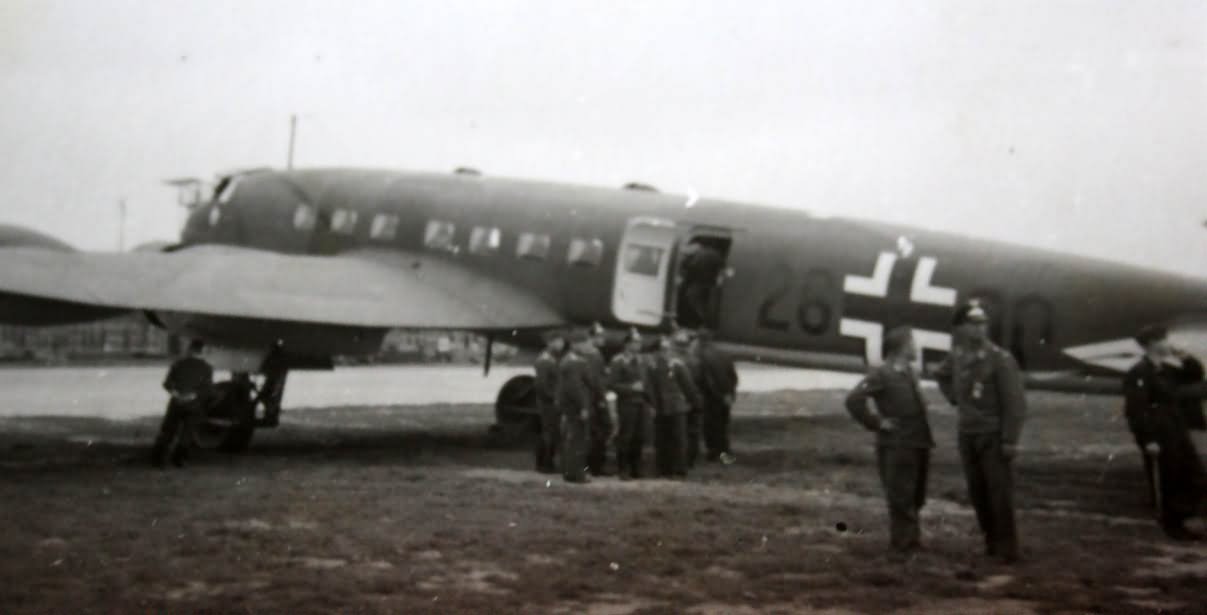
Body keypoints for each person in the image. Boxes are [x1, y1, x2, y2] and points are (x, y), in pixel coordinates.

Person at [933, 301, 1027, 563]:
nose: (980, 328)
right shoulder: (958, 356)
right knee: (978, 492)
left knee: (999, 492)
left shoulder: (1000, 359)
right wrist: (955, 398)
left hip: (992, 435)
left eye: (983, 323)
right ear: (961, 329)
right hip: (968, 433)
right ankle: (990, 543)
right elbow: (940, 375)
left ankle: (1007, 549)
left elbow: (1015, 404)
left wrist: (1010, 439)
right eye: (973, 324)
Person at [846, 327, 934, 557]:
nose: (915, 348)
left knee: (916, 496)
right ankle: (902, 547)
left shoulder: (909, 373)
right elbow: (854, 399)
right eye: (912, 343)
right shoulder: (882, 374)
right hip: (897, 444)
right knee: (901, 496)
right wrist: (877, 422)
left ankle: (912, 541)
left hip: (918, 442)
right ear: (901, 347)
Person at [1122, 325, 1207, 541]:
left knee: (1193, 473)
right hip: (1158, 431)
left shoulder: (1168, 371)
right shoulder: (1139, 373)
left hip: (1176, 427)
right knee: (1170, 478)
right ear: (1151, 344)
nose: (1168, 344)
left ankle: (1188, 517)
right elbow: (1135, 410)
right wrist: (1148, 439)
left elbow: (1195, 374)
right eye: (1163, 340)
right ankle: (1174, 526)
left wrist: (1185, 356)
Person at [649, 331, 704, 478]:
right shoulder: (652, 367)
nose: (664, 353)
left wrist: (696, 404)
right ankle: (663, 469)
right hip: (661, 407)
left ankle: (679, 470)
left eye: (666, 349)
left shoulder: (676, 365)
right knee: (662, 439)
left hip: (677, 407)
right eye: (662, 350)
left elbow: (688, 387)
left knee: (678, 439)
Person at [151, 339, 214, 468]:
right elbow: (207, 389)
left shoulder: (178, 364)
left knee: (168, 431)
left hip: (176, 402)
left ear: (190, 349)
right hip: (194, 404)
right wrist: (193, 395)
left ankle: (159, 459)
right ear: (202, 351)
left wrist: (176, 393)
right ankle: (179, 459)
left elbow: (167, 384)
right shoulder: (207, 368)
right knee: (187, 433)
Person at [608, 329, 650, 479]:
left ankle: (636, 468)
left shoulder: (642, 360)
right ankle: (623, 468)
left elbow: (646, 381)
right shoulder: (618, 361)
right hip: (627, 403)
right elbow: (612, 384)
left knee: (639, 436)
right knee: (626, 436)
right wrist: (630, 388)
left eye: (639, 342)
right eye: (634, 342)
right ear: (627, 344)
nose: (638, 345)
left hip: (641, 403)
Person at [694, 329, 739, 465]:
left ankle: (715, 454)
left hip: (712, 398)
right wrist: (729, 395)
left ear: (700, 340)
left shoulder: (702, 355)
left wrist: (717, 396)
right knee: (723, 427)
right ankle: (724, 455)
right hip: (726, 398)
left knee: (711, 427)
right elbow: (734, 377)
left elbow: (708, 381)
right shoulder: (724, 354)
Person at [558, 330, 595, 483]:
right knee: (577, 440)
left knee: (575, 439)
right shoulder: (572, 362)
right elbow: (576, 388)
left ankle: (571, 472)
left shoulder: (573, 360)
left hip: (574, 406)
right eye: (584, 343)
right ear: (575, 345)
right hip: (576, 407)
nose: (587, 346)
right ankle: (576, 474)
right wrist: (583, 407)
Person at [582, 323, 615, 476]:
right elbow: (596, 380)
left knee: (595, 432)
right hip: (594, 399)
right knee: (598, 432)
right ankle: (595, 466)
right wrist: (601, 399)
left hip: (591, 398)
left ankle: (592, 465)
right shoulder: (593, 354)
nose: (603, 339)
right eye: (600, 336)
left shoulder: (591, 353)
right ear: (592, 337)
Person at [533, 331, 566, 474]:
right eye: (558, 341)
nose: (561, 344)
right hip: (548, 403)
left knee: (551, 432)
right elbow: (542, 385)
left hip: (551, 401)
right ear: (550, 343)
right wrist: (554, 398)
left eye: (561, 341)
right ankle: (545, 464)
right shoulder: (545, 360)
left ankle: (546, 462)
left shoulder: (551, 358)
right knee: (549, 432)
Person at [677, 240, 724, 329]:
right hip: (710, 284)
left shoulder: (697, 255)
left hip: (698, 282)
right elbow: (721, 269)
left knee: (693, 300)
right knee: (707, 304)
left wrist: (685, 279)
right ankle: (705, 323)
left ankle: (702, 322)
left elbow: (690, 268)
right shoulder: (716, 254)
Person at [256, 339, 287, 427]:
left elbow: (265, 368)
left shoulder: (273, 357)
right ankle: (271, 413)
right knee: (269, 395)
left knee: (267, 395)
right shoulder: (279, 357)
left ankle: (271, 413)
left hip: (272, 379)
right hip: (274, 379)